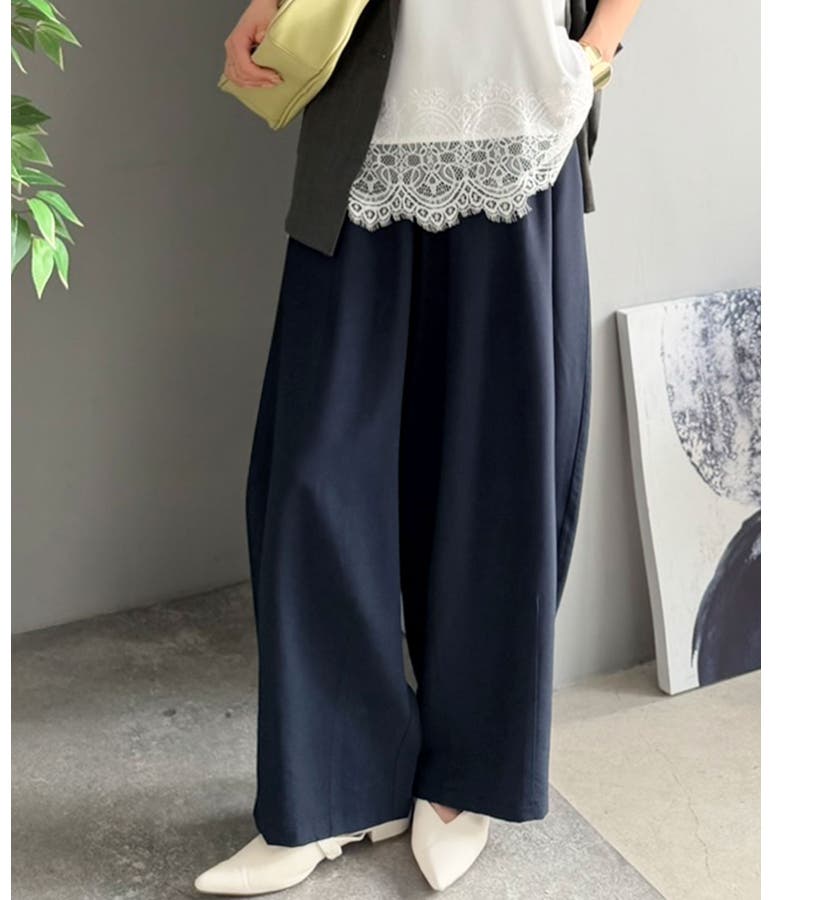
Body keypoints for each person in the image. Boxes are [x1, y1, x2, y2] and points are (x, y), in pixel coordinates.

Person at [196, 0, 641, 894]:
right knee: (315, 471)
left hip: (521, 109)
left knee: (498, 471)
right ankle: (329, 789)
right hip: (371, 103)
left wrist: (595, 52)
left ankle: (464, 778)